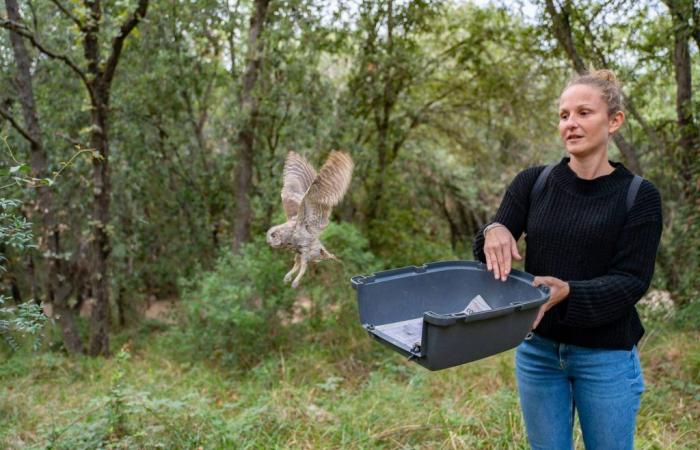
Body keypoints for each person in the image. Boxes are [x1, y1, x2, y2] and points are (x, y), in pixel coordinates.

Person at [472, 69, 662, 450]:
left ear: (614, 121)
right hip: (538, 353)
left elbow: (631, 281)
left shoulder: (638, 196)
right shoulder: (533, 183)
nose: (570, 124)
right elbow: (490, 251)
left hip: (606, 357)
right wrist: (492, 230)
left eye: (583, 113)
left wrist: (568, 292)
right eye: (563, 115)